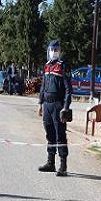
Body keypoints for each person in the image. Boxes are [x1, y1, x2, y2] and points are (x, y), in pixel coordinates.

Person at [37, 40, 72, 176]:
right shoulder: (46, 67)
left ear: (60, 52)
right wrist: (40, 103)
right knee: (49, 134)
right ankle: (50, 163)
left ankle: (63, 165)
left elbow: (69, 90)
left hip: (58, 105)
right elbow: (43, 86)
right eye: (52, 49)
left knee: (60, 135)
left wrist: (65, 108)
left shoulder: (63, 66)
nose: (54, 52)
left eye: (56, 50)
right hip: (47, 105)